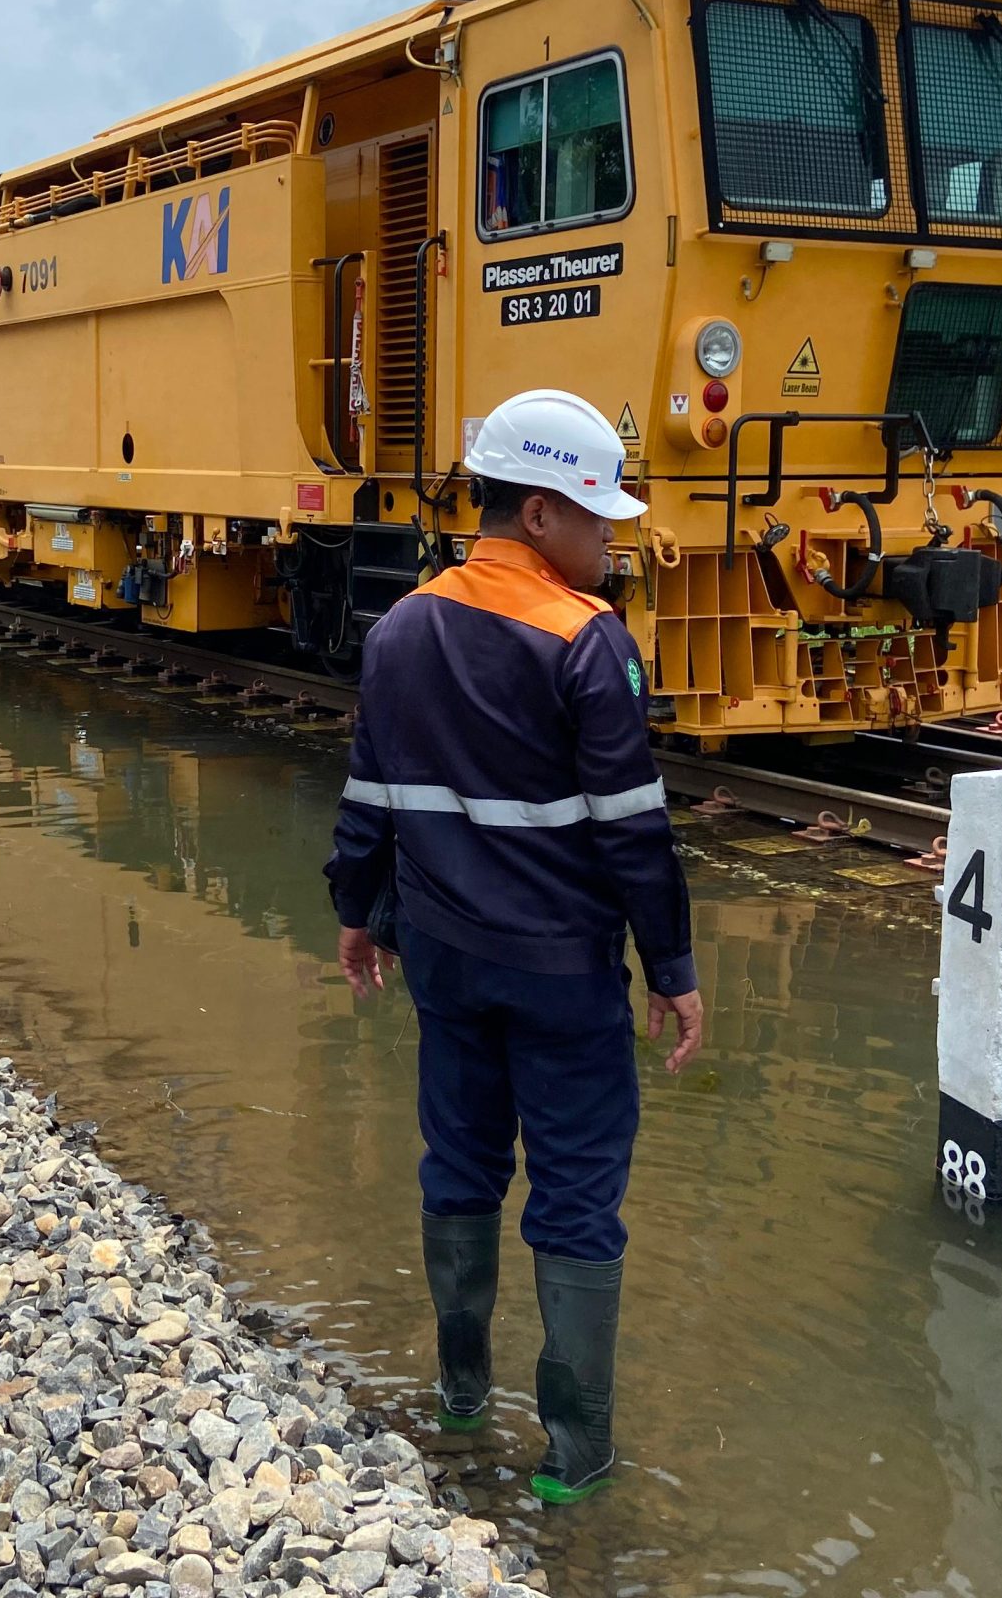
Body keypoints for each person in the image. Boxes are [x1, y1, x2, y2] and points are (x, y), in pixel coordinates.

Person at [326, 387, 703, 1505]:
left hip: (444, 959)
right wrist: (672, 973)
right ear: (539, 513)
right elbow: (636, 838)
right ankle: (574, 1458)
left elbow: (365, 806)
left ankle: (455, 1397)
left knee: (460, 1165)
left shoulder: (398, 630)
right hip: (560, 975)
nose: (608, 539)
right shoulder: (589, 644)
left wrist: (355, 912)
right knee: (577, 1200)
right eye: (597, 519)